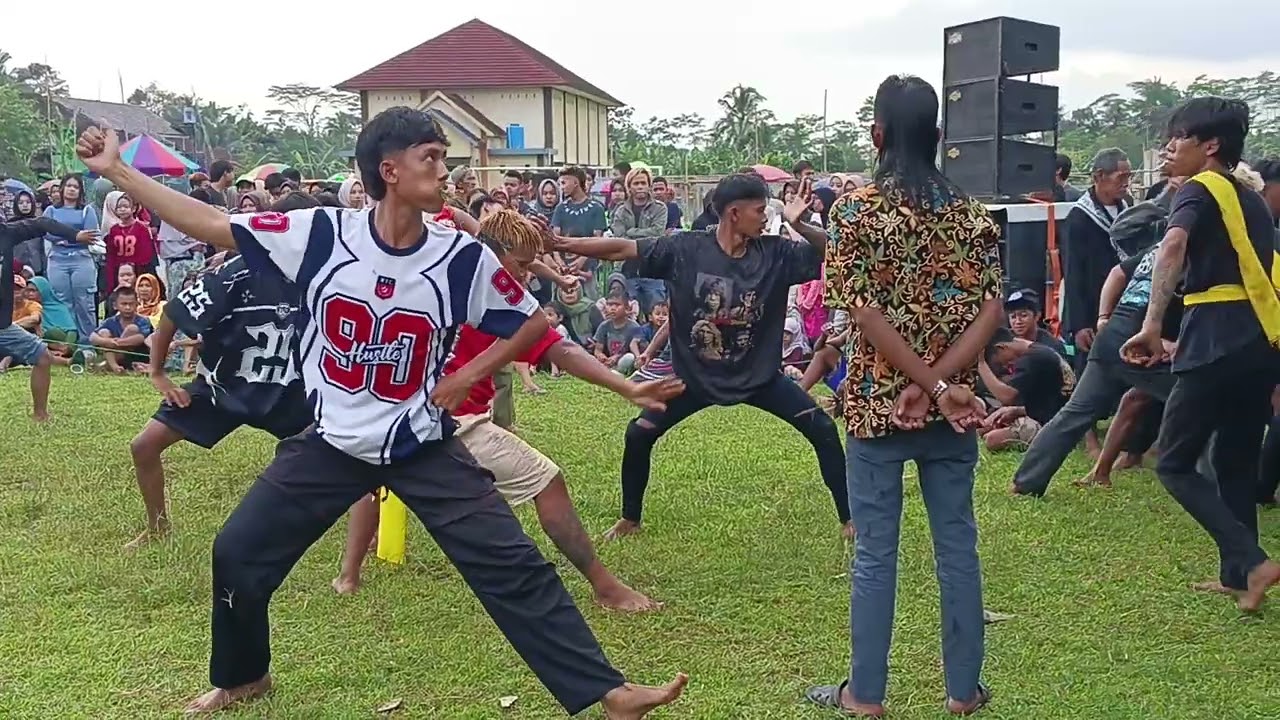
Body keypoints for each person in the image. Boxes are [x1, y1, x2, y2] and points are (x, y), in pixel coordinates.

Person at [75, 107, 686, 717]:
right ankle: (243, 677)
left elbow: (530, 321)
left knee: (511, 562)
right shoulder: (320, 233)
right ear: (389, 170)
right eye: (433, 158)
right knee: (237, 552)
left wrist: (469, 374)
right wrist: (118, 171)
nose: (445, 171)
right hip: (331, 441)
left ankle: (610, 694)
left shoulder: (460, 258)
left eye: (444, 159)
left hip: (421, 442)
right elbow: (212, 222)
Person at [334, 209, 680, 611]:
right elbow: (560, 349)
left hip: (400, 416)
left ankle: (348, 575)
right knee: (546, 481)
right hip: (452, 424)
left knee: (376, 474)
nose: (527, 274)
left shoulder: (448, 275)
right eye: (520, 264)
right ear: (492, 253)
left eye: (531, 264)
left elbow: (558, 347)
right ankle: (607, 589)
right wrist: (625, 387)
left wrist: (624, 386)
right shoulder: (486, 290)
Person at [803, 75, 1003, 718]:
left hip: (874, 406)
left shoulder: (855, 212)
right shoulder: (973, 215)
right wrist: (943, 386)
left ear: (877, 135)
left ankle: (863, 696)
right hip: (952, 408)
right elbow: (992, 311)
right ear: (940, 137)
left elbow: (860, 314)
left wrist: (924, 385)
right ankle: (964, 691)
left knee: (875, 555)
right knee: (957, 546)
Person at [553, 172, 853, 540]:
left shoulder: (776, 254)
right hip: (693, 380)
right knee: (639, 434)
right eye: (759, 210)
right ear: (733, 213)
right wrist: (564, 243)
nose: (765, 216)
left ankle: (849, 519)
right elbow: (620, 249)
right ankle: (630, 519)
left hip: (760, 378)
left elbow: (835, 251)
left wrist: (800, 223)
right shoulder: (685, 249)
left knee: (821, 428)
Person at [1121, 97, 1280, 612]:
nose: (1169, 150)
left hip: (1214, 337)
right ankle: (1240, 579)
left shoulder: (1198, 189)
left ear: (1210, 146)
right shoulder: (1251, 198)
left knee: (1174, 463)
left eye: (1178, 140)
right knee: (1234, 459)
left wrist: (1150, 325)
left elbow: (1171, 248)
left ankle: (1252, 561)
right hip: (1260, 341)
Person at [125, 198, 315, 551]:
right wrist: (157, 373)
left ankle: (368, 537)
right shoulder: (236, 273)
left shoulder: (324, 276)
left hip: (291, 393)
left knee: (353, 452)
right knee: (144, 445)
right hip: (224, 387)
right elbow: (173, 312)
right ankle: (157, 526)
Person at [1, 214, 82, 419]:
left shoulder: (6, 233)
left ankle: (41, 415)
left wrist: (76, 234)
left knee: (42, 356)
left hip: (3, 326)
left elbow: (42, 223)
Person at [976, 327, 1075, 451]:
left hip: (1055, 423)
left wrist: (981, 365)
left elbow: (1007, 397)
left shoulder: (1032, 359)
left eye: (999, 363)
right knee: (984, 426)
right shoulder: (1037, 351)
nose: (1005, 367)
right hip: (1044, 413)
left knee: (992, 440)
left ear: (1001, 347)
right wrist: (1014, 411)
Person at [610, 168, 669, 315]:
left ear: (649, 185)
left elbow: (656, 234)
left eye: (643, 182)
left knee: (657, 314)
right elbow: (620, 238)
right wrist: (635, 236)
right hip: (627, 269)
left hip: (653, 270)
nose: (640, 186)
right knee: (630, 315)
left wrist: (631, 232)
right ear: (629, 187)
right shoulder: (620, 211)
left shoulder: (660, 208)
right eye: (636, 183)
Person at [90, 286, 153, 373]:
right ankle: (114, 367)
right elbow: (92, 337)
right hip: (114, 355)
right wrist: (107, 341)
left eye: (131, 304)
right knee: (103, 332)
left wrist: (118, 343)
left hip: (136, 355)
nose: (127, 307)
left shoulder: (143, 320)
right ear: (115, 306)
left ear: (137, 304)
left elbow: (140, 338)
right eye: (124, 304)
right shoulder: (111, 321)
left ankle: (106, 365)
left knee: (132, 328)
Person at [1003, 289, 1067, 359]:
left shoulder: (1052, 346)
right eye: (1013, 317)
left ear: (1037, 316)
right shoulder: (1004, 341)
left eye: (1024, 315)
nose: (1018, 321)